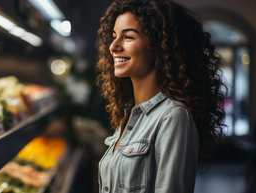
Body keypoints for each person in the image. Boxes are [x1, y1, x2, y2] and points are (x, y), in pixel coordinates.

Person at [96, 0, 226, 192]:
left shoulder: (173, 117)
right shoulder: (129, 116)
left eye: (128, 37)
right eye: (114, 36)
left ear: (160, 46)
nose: (113, 46)